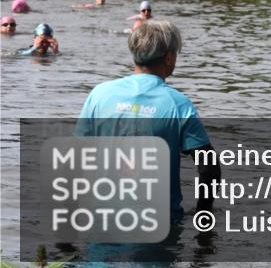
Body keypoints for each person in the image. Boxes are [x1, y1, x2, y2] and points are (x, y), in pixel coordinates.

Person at [75, 20, 221, 221]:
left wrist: (66, 242)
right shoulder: (178, 105)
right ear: (169, 58)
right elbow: (209, 167)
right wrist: (203, 215)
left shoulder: (99, 94)